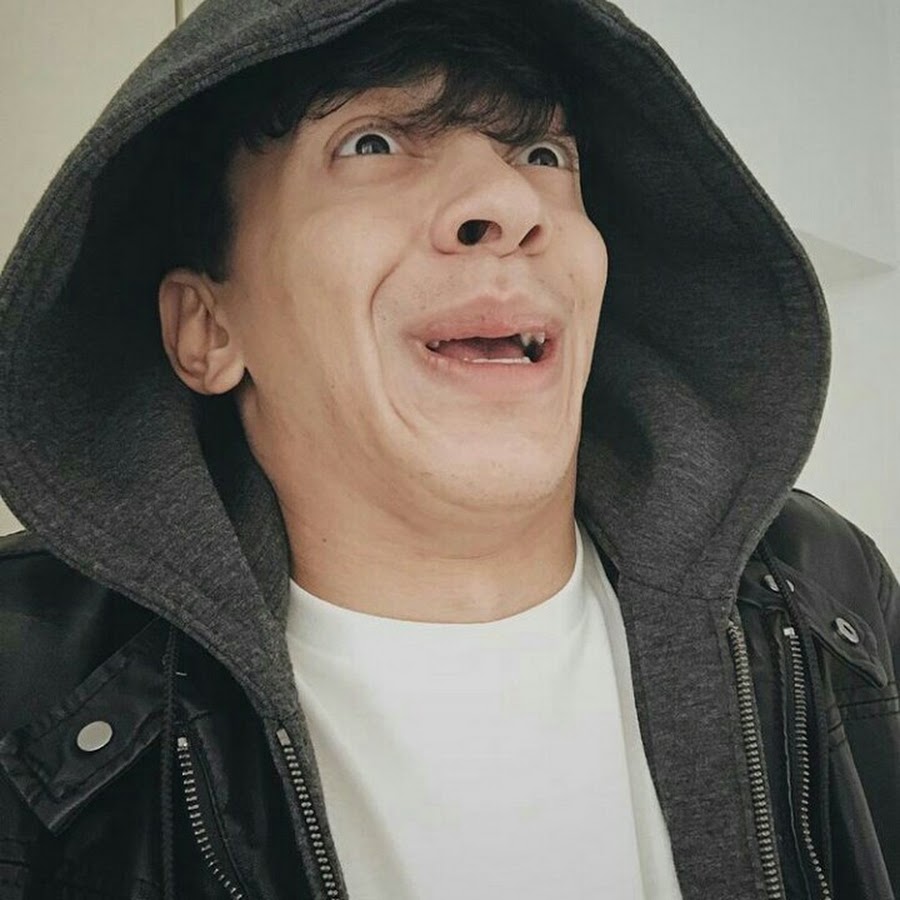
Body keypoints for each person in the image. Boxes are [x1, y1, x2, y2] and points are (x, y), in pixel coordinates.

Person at [0, 0, 896, 897]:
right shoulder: (24, 677)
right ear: (208, 329)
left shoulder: (827, 585)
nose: (509, 204)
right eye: (372, 144)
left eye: (542, 155)